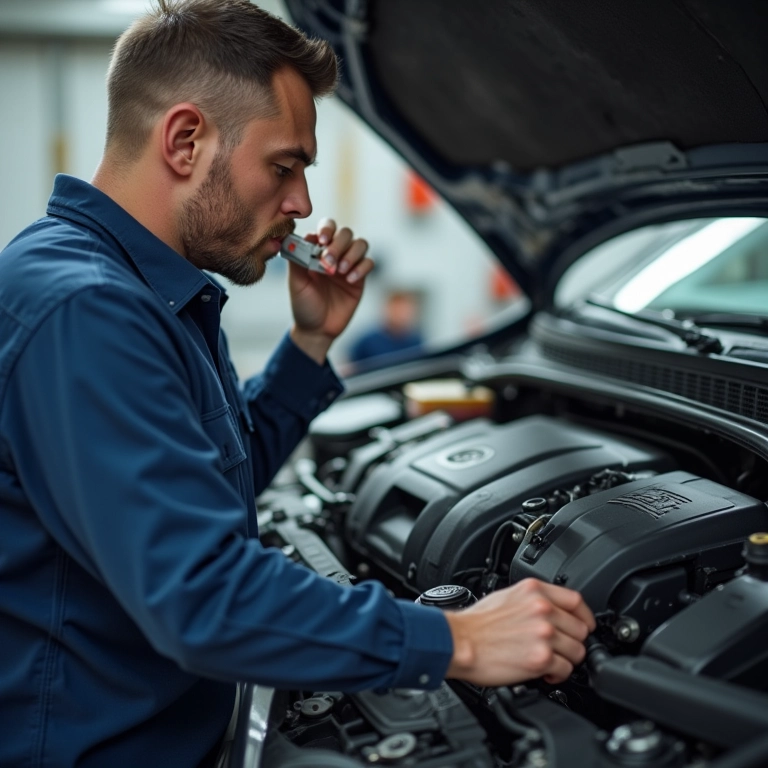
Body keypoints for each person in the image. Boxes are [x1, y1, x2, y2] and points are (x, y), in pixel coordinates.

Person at [0, 2, 595, 766]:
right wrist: (459, 638)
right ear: (185, 141)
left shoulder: (140, 291)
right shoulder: (85, 310)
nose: (303, 204)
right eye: (285, 165)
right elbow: (204, 598)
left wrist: (311, 344)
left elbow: (216, 482)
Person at [348, 288, 424, 364]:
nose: (402, 314)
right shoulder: (368, 342)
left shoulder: (416, 342)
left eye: (406, 310)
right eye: (398, 309)